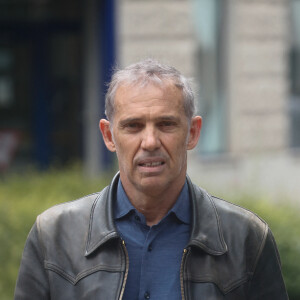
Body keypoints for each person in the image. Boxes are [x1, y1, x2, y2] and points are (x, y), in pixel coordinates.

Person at [15, 59, 288, 300]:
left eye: (166, 124)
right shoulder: (53, 235)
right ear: (109, 135)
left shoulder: (247, 238)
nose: (150, 142)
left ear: (192, 133)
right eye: (133, 126)